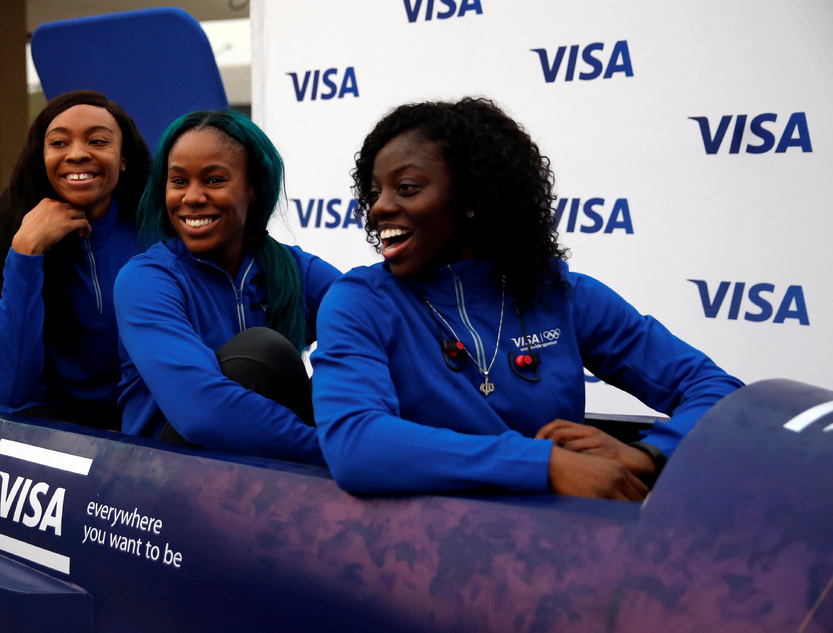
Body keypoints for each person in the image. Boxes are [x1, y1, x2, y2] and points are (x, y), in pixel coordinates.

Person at [311, 98, 743, 500]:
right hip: (434, 552)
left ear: (474, 198)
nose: (378, 208)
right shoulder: (358, 303)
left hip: (569, 544)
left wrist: (651, 454)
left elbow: (718, 391)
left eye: (405, 187)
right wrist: (546, 465)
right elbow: (357, 443)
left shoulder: (561, 293)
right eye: (373, 193)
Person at [115, 110, 341, 465]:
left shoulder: (296, 269)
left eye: (214, 180)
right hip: (159, 480)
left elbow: (378, 322)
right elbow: (200, 411)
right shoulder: (146, 279)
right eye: (178, 181)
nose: (191, 197)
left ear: (253, 188)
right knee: (261, 353)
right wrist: (330, 451)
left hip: (266, 471)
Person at [0, 90, 151, 429]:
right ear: (41, 157)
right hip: (19, 416)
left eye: (97, 141)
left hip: (116, 415)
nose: (77, 154)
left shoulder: (153, 236)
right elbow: (11, 388)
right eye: (59, 143)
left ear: (123, 157)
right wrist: (25, 253)